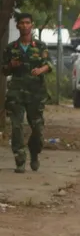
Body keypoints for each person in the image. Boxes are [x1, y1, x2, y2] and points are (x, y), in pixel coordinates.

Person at [2, 13, 52, 173]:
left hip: (35, 93)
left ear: (32, 25)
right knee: (17, 127)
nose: (24, 25)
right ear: (17, 26)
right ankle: (20, 160)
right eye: (21, 23)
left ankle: (34, 153)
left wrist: (40, 70)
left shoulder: (40, 46)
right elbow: (3, 70)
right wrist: (11, 65)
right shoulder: (11, 48)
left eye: (27, 23)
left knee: (37, 129)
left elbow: (49, 64)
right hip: (16, 93)